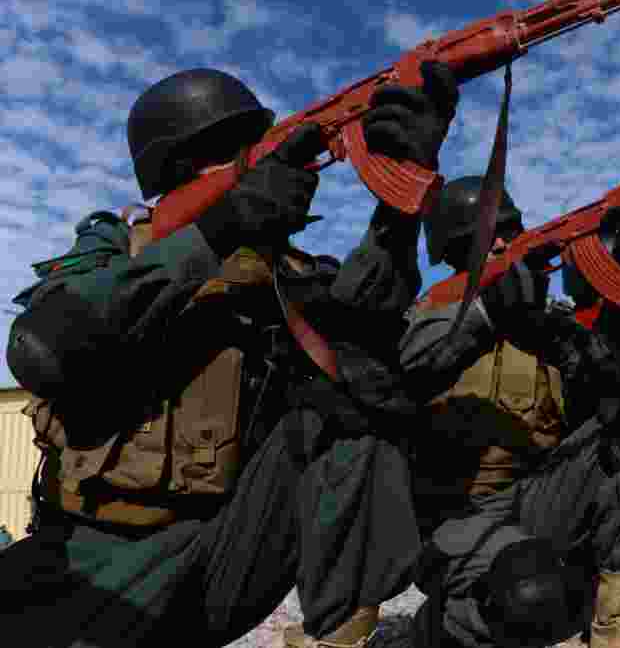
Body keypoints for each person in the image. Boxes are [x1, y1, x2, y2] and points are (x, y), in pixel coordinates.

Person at [1, 61, 461, 648]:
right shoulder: (120, 248)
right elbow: (42, 349)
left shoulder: (285, 277)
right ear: (181, 170)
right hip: (88, 558)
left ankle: (337, 636)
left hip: (224, 553)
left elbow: (369, 324)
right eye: (227, 152)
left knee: (358, 398)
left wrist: (402, 197)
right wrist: (217, 230)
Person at [395, 177, 620, 648]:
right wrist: (488, 310)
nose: (505, 244)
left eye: (511, 232)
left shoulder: (546, 324)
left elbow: (617, 372)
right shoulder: (429, 312)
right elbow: (405, 364)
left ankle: (619, 623)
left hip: (535, 496)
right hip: (453, 517)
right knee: (530, 595)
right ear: (455, 249)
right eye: (489, 238)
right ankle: (438, 630)